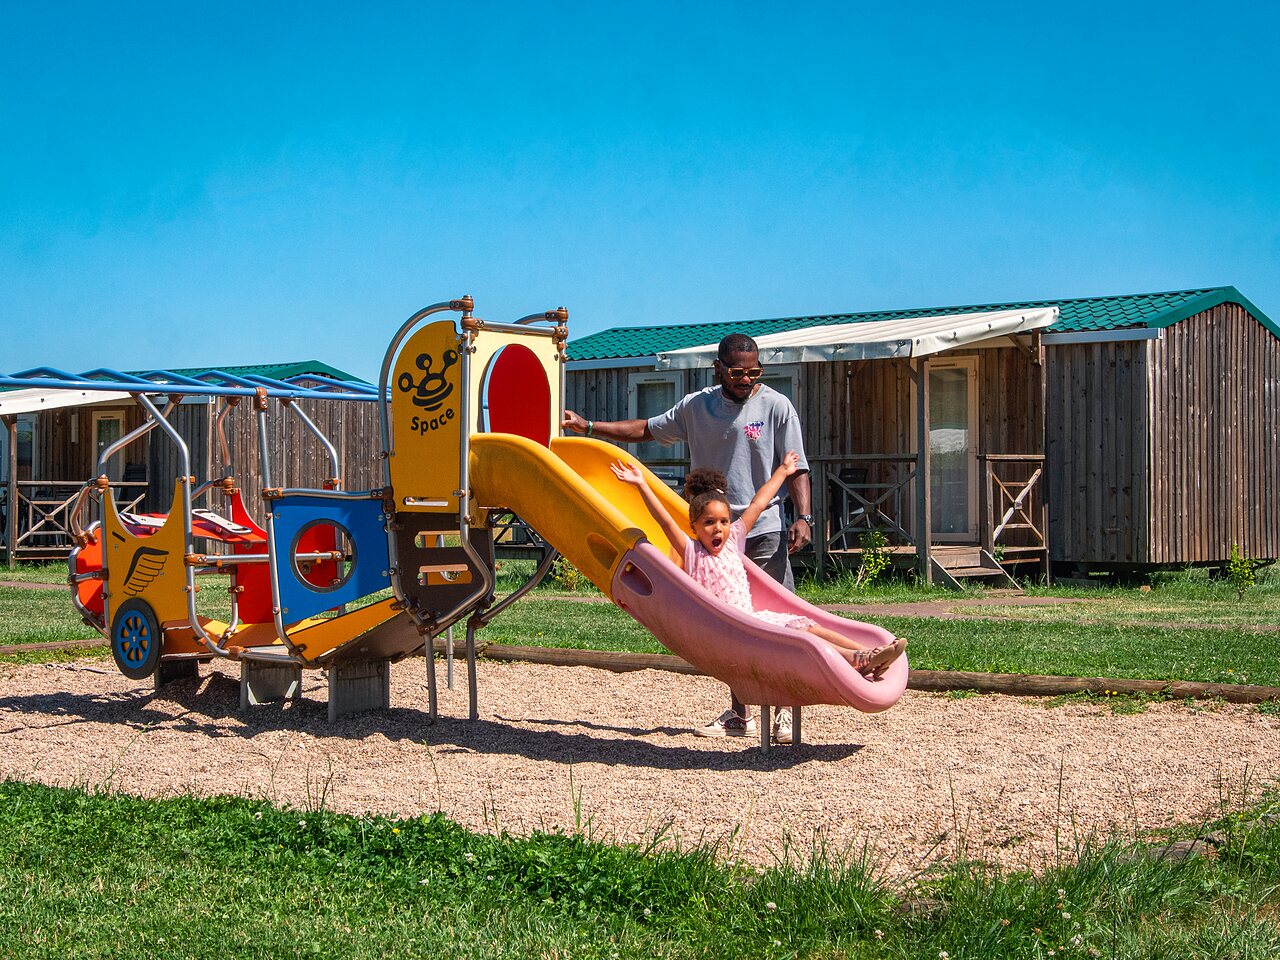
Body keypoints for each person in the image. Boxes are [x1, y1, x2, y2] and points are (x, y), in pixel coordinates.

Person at [563, 333, 813, 740]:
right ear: (719, 368)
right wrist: (589, 426)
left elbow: (796, 466)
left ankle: (782, 710)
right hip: (711, 535)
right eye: (737, 372)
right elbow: (645, 429)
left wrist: (805, 516)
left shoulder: (776, 406)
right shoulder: (698, 406)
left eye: (754, 371)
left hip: (760, 527)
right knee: (729, 623)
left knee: (776, 620)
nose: (746, 379)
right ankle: (741, 714)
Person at [610, 451, 906, 722]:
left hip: (752, 619)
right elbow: (663, 521)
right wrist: (640, 484)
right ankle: (859, 659)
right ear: (695, 528)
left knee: (809, 626)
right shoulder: (691, 551)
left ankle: (870, 652)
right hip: (733, 628)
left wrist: (783, 471)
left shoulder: (735, 540)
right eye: (709, 522)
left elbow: (759, 503)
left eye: (724, 521)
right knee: (802, 636)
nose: (718, 528)